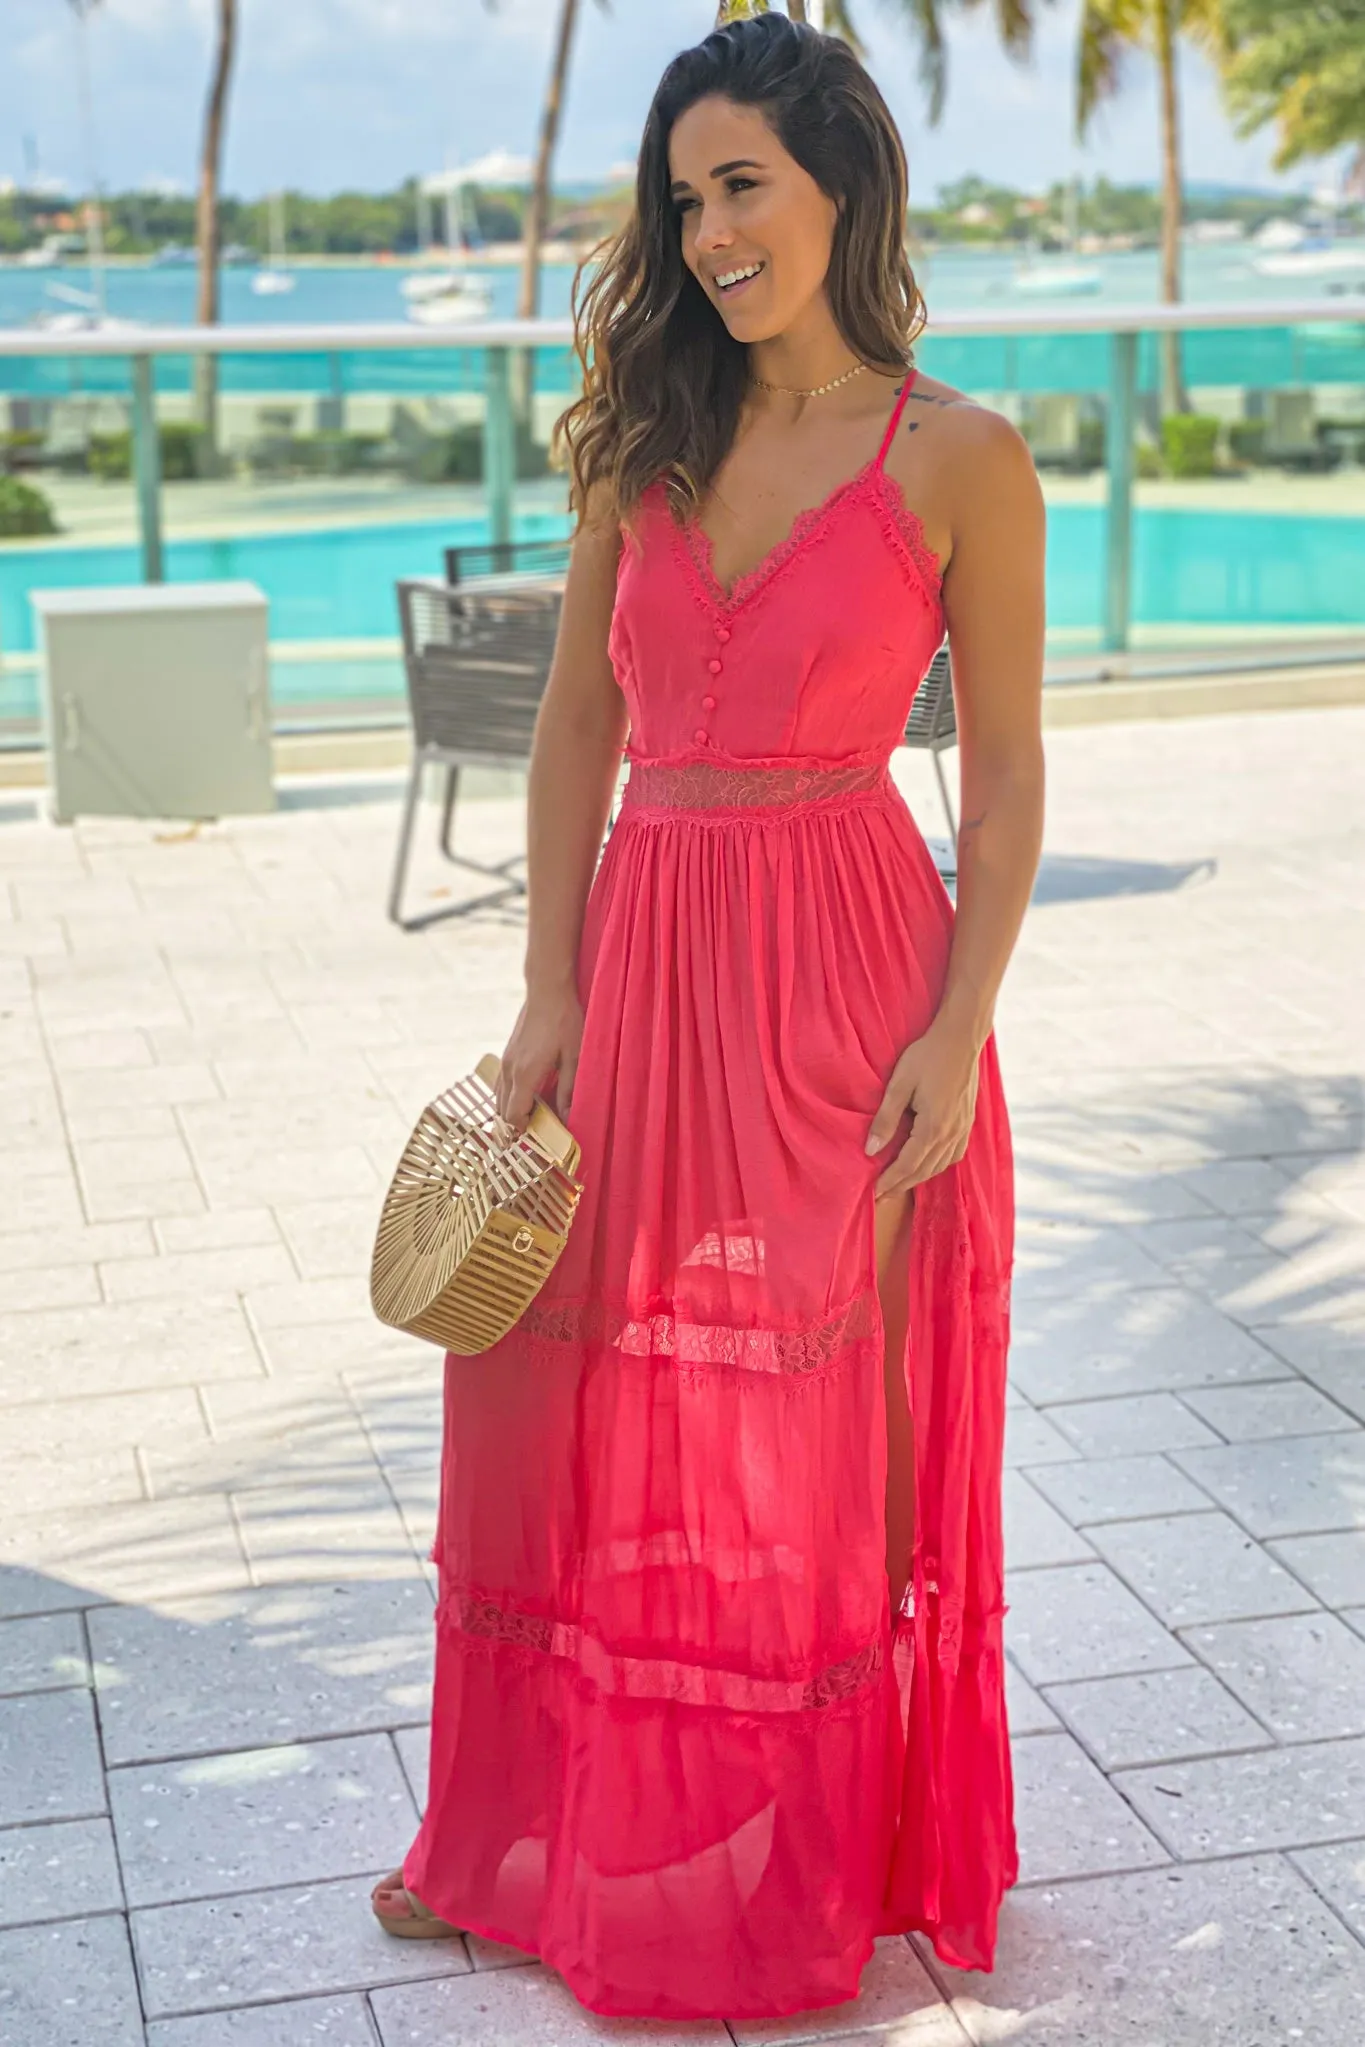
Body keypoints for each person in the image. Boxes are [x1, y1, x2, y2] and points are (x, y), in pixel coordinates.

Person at [371, 8, 1045, 2022]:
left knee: (808, 1418)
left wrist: (956, 1027)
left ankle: (809, 1847)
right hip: (646, 945)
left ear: (846, 182)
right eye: (687, 198)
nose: (716, 232)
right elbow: (579, 720)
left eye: (744, 183)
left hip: (848, 968)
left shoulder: (961, 461)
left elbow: (1003, 783)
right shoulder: (646, 427)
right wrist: (543, 989)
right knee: (563, 1386)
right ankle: (531, 1829)